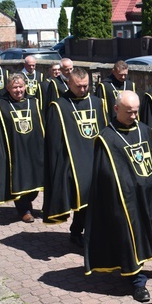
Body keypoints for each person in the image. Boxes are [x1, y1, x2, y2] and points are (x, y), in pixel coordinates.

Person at [85, 90, 152, 302]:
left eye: (136, 112)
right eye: (129, 112)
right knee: (132, 234)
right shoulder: (106, 138)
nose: (133, 116)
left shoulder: (146, 131)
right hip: (126, 200)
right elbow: (105, 174)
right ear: (116, 109)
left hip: (150, 194)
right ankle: (137, 281)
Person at [42, 67, 107, 247]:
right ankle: (82, 234)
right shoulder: (58, 106)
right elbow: (54, 142)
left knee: (95, 200)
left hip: (96, 159)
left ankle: (81, 231)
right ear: (69, 84)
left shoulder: (98, 103)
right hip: (74, 161)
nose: (83, 90)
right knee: (83, 200)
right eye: (79, 86)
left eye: (86, 86)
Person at [0, 74, 45, 223]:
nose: (18, 90)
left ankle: (29, 202)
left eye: (21, 86)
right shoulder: (1, 106)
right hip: (14, 151)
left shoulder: (34, 102)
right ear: (8, 88)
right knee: (19, 181)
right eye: (14, 87)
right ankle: (24, 210)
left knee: (36, 182)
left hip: (33, 150)